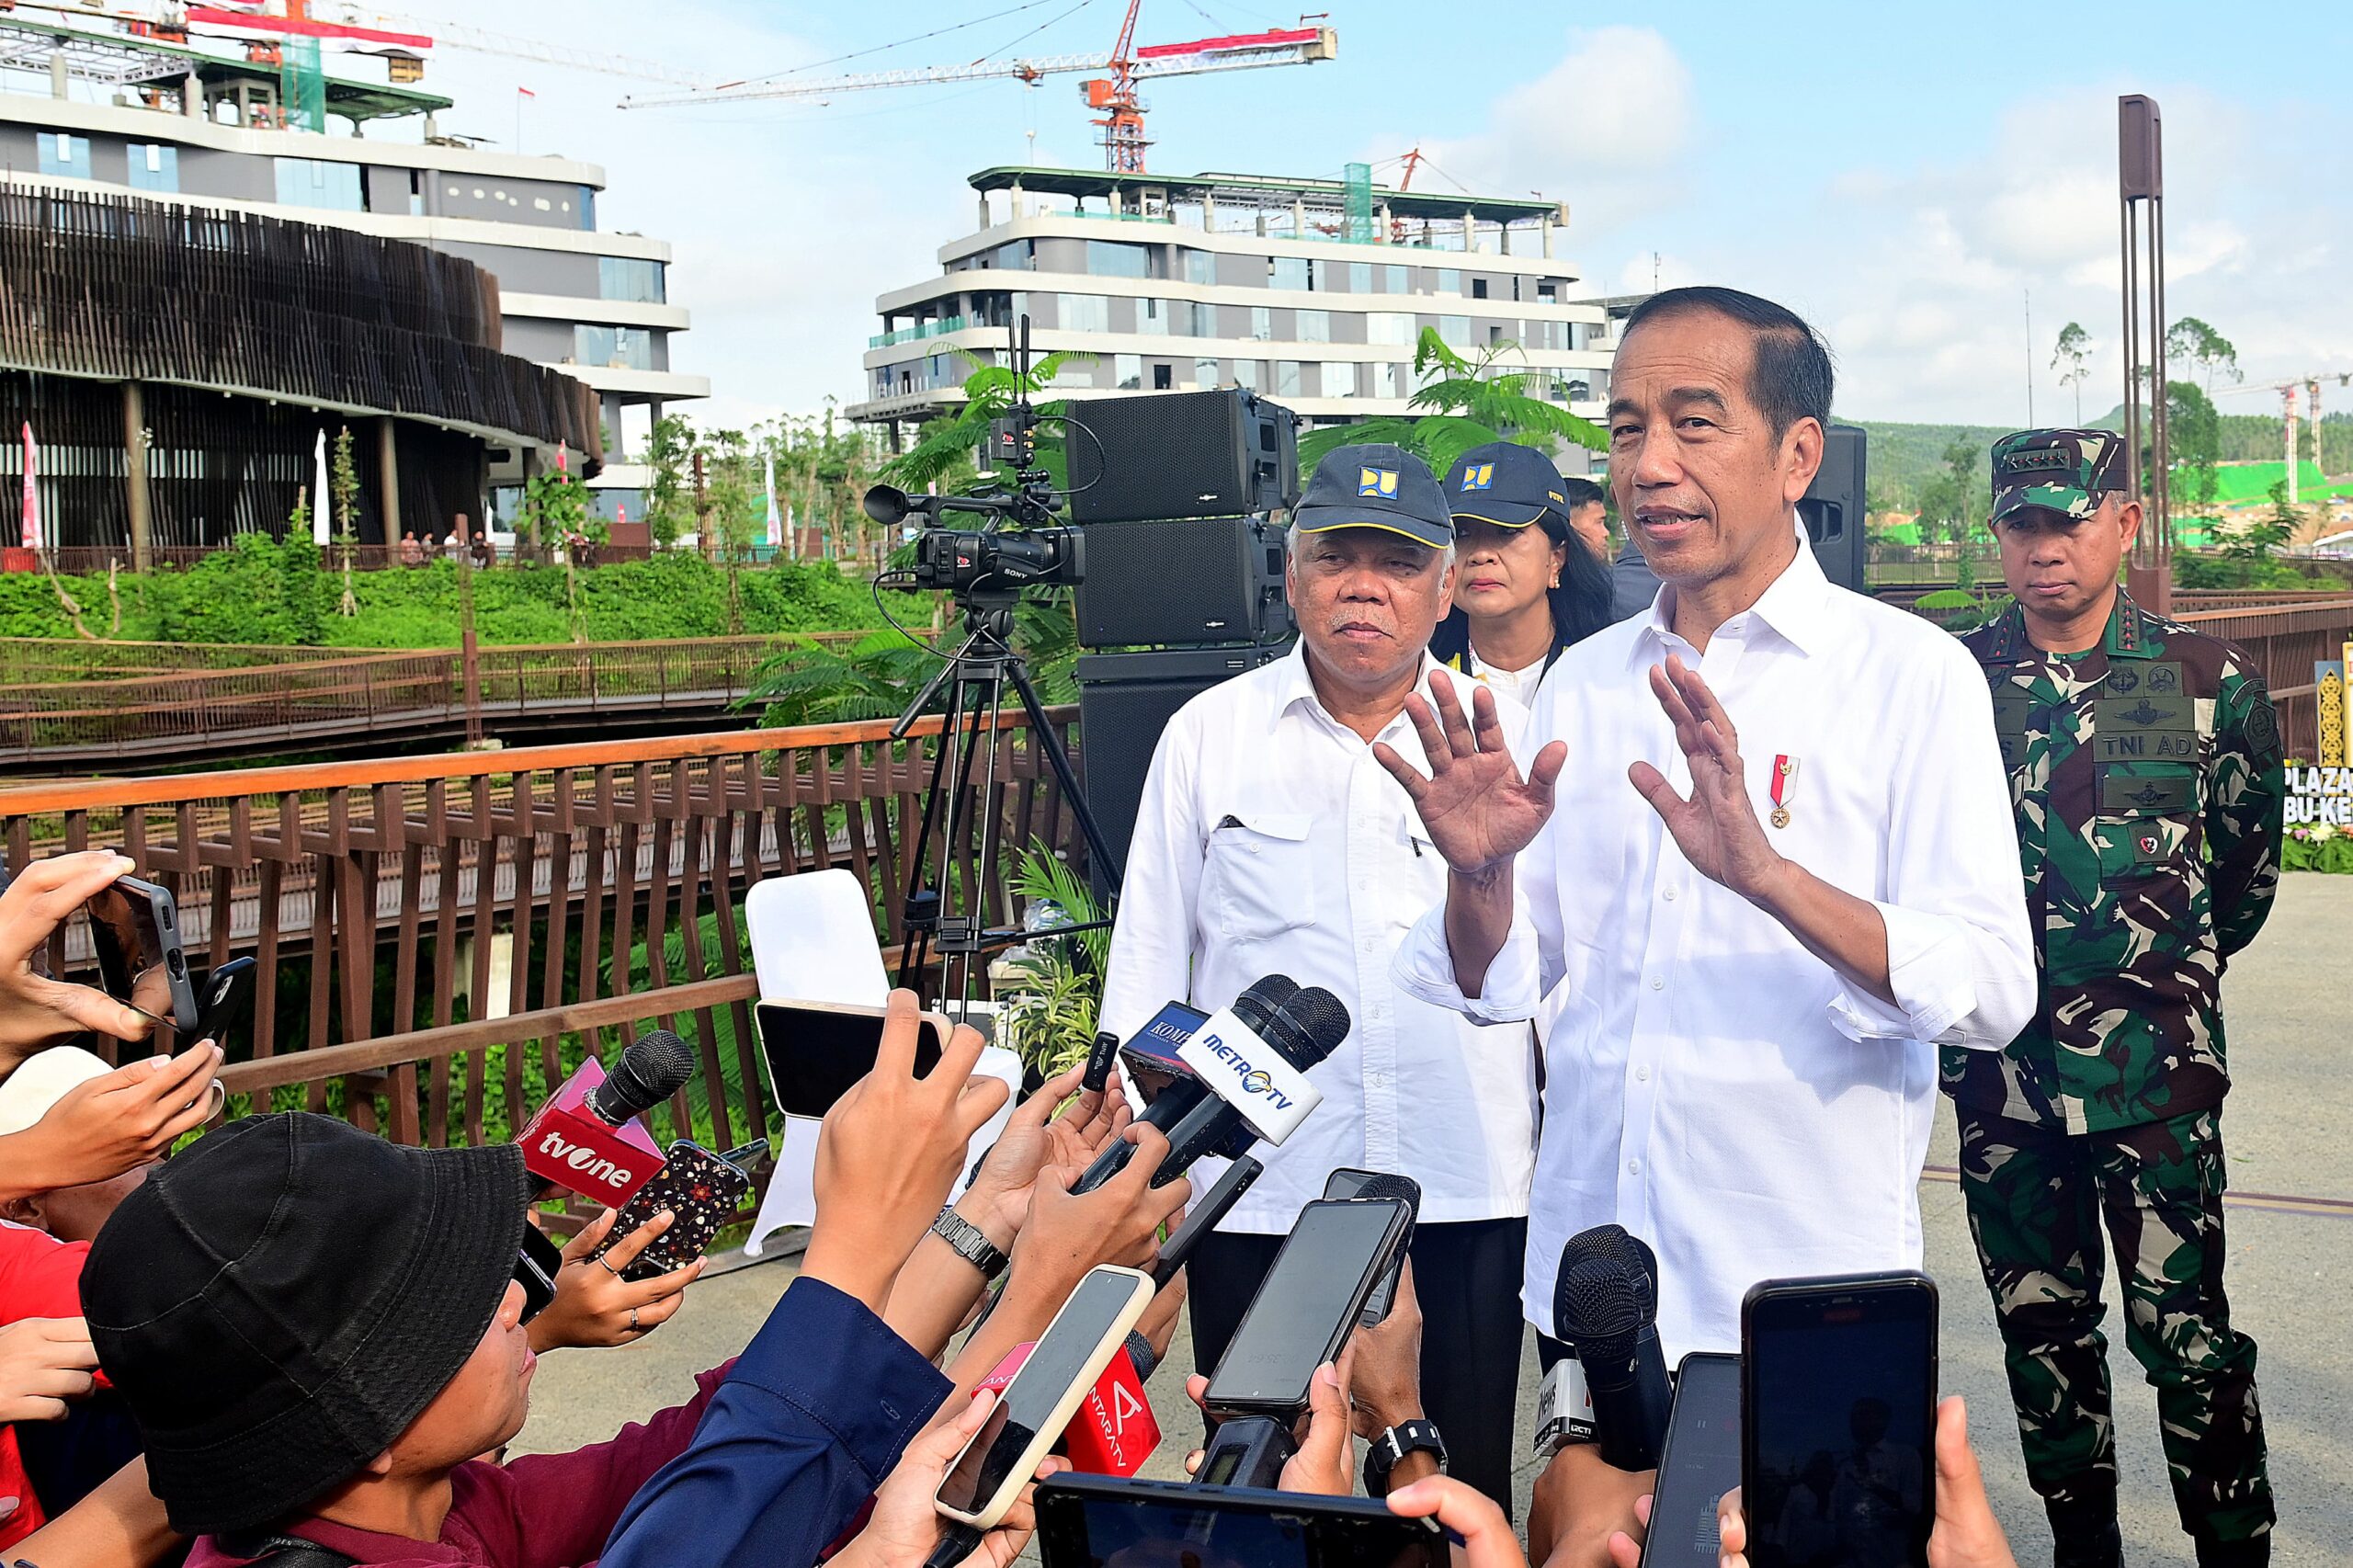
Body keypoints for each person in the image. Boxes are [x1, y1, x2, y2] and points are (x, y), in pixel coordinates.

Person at [1379, 287, 2037, 1367]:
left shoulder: (1909, 675)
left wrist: (1772, 878)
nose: (1647, 465)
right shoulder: (1585, 685)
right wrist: (1479, 878)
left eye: (1694, 422)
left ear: (1796, 454)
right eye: (1626, 428)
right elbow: (1506, 976)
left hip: (1803, 1285)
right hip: (1595, 1279)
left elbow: (1991, 988)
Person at [81, 989, 1176, 1568]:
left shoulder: (427, 1509)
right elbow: (722, 1519)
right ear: (365, 1409)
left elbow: (722, 1450)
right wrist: (1021, 1294)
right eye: (458, 1301)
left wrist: (986, 1220)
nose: (516, 1295)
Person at [1099, 443, 1537, 1511]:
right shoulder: (1209, 735)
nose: (1362, 586)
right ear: (1289, 577)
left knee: (1454, 1483)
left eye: (1395, 563)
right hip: (1262, 1189)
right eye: (1334, 556)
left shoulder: (1506, 737)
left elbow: (1555, 976)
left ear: (1444, 587)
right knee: (1262, 1488)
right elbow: (1150, 958)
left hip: (1463, 1182)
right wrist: (1135, 1170)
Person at [1944, 429, 2283, 1568]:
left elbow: (2243, 867)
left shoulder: (2205, 676)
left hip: (2154, 1073)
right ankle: (2081, 1545)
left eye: (2068, 520)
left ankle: (2233, 1546)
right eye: (2020, 524)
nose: (2043, 548)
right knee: (2041, 1334)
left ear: (2125, 522)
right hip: (2001, 1079)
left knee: (2185, 1337)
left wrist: (2164, 980)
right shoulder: (1951, 681)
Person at [1427, 443, 1615, 704]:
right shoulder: (1417, 684)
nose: (1481, 554)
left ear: (1557, 558)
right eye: (1463, 534)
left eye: (1507, 531)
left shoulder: (1612, 678)